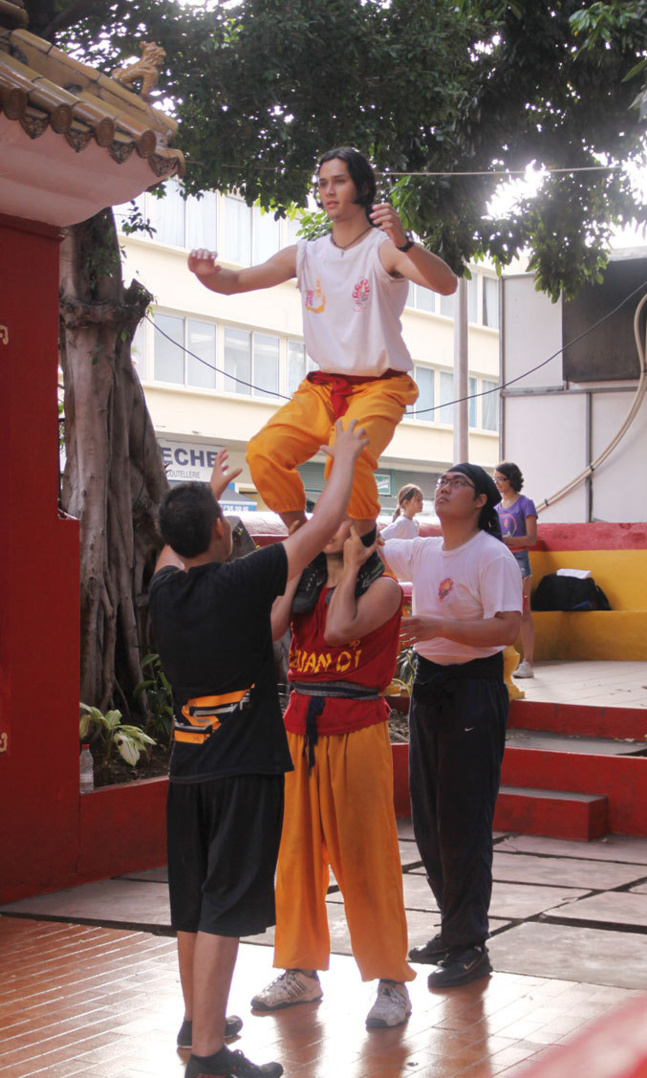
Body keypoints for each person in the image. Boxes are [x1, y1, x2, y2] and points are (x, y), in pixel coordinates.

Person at [148, 419, 368, 1078]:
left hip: (187, 775)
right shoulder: (242, 582)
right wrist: (347, 457)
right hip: (242, 770)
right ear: (220, 530)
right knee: (221, 906)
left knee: (191, 904)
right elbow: (322, 519)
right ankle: (211, 1056)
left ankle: (197, 1025)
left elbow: (170, 546)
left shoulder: (164, 590)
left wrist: (204, 499)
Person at [188, 146, 457, 604]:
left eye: (338, 181)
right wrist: (207, 275)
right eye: (322, 183)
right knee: (264, 452)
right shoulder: (306, 254)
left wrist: (407, 241)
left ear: (362, 187)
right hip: (321, 386)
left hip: (380, 385)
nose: (327, 191)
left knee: (343, 460)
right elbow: (236, 282)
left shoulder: (384, 248)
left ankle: (367, 542)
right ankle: (303, 540)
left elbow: (447, 283)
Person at [250, 520, 415, 1029]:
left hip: (357, 725)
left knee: (367, 856)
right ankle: (301, 972)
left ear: (364, 526)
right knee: (295, 856)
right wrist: (295, 567)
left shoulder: (383, 587)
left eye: (340, 515)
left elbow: (342, 628)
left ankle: (391, 982)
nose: (325, 522)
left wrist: (351, 567)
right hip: (300, 725)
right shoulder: (303, 580)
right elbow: (272, 629)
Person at [380, 465, 522, 989]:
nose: (443, 488)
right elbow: (367, 544)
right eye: (440, 481)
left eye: (456, 483)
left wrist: (440, 626)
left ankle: (470, 947)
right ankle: (452, 927)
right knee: (430, 817)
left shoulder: (491, 555)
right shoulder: (422, 549)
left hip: (474, 691)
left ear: (482, 500)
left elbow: (506, 628)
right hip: (430, 689)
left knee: (464, 821)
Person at [493, 462, 538, 679]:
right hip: (500, 559)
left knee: (523, 610)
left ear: (511, 479)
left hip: (520, 559)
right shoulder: (495, 508)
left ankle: (527, 661)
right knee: (499, 609)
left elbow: (532, 538)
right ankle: (500, 658)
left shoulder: (525, 504)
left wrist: (506, 539)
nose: (498, 483)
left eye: (501, 479)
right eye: (495, 480)